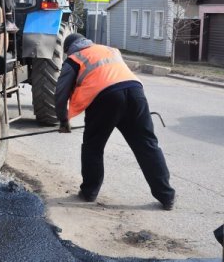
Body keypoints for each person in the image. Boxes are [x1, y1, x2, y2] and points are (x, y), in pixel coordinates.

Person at [55, 33, 176, 210]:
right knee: (147, 145)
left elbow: (61, 93)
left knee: (93, 147)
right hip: (135, 93)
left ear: (68, 50)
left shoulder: (74, 59)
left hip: (105, 99)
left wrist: (63, 120)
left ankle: (89, 192)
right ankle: (167, 196)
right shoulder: (110, 50)